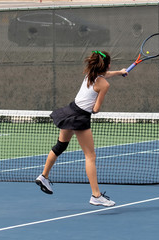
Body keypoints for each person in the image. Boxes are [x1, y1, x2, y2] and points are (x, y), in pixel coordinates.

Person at [36, 51, 128, 207]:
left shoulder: (89, 74)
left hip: (70, 110)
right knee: (90, 156)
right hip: (80, 117)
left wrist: (120, 72)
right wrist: (95, 104)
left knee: (60, 146)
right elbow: (96, 109)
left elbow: (105, 74)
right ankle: (96, 195)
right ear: (107, 65)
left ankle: (44, 176)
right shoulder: (104, 84)